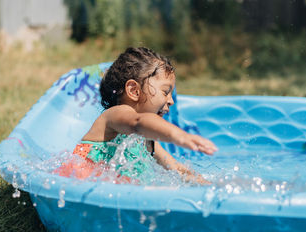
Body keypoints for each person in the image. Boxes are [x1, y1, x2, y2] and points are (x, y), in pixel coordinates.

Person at [55, 47, 217, 184]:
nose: (171, 101)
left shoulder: (148, 141)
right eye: (166, 92)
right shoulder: (114, 116)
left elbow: (177, 169)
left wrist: (207, 185)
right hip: (76, 186)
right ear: (134, 90)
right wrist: (178, 135)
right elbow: (139, 122)